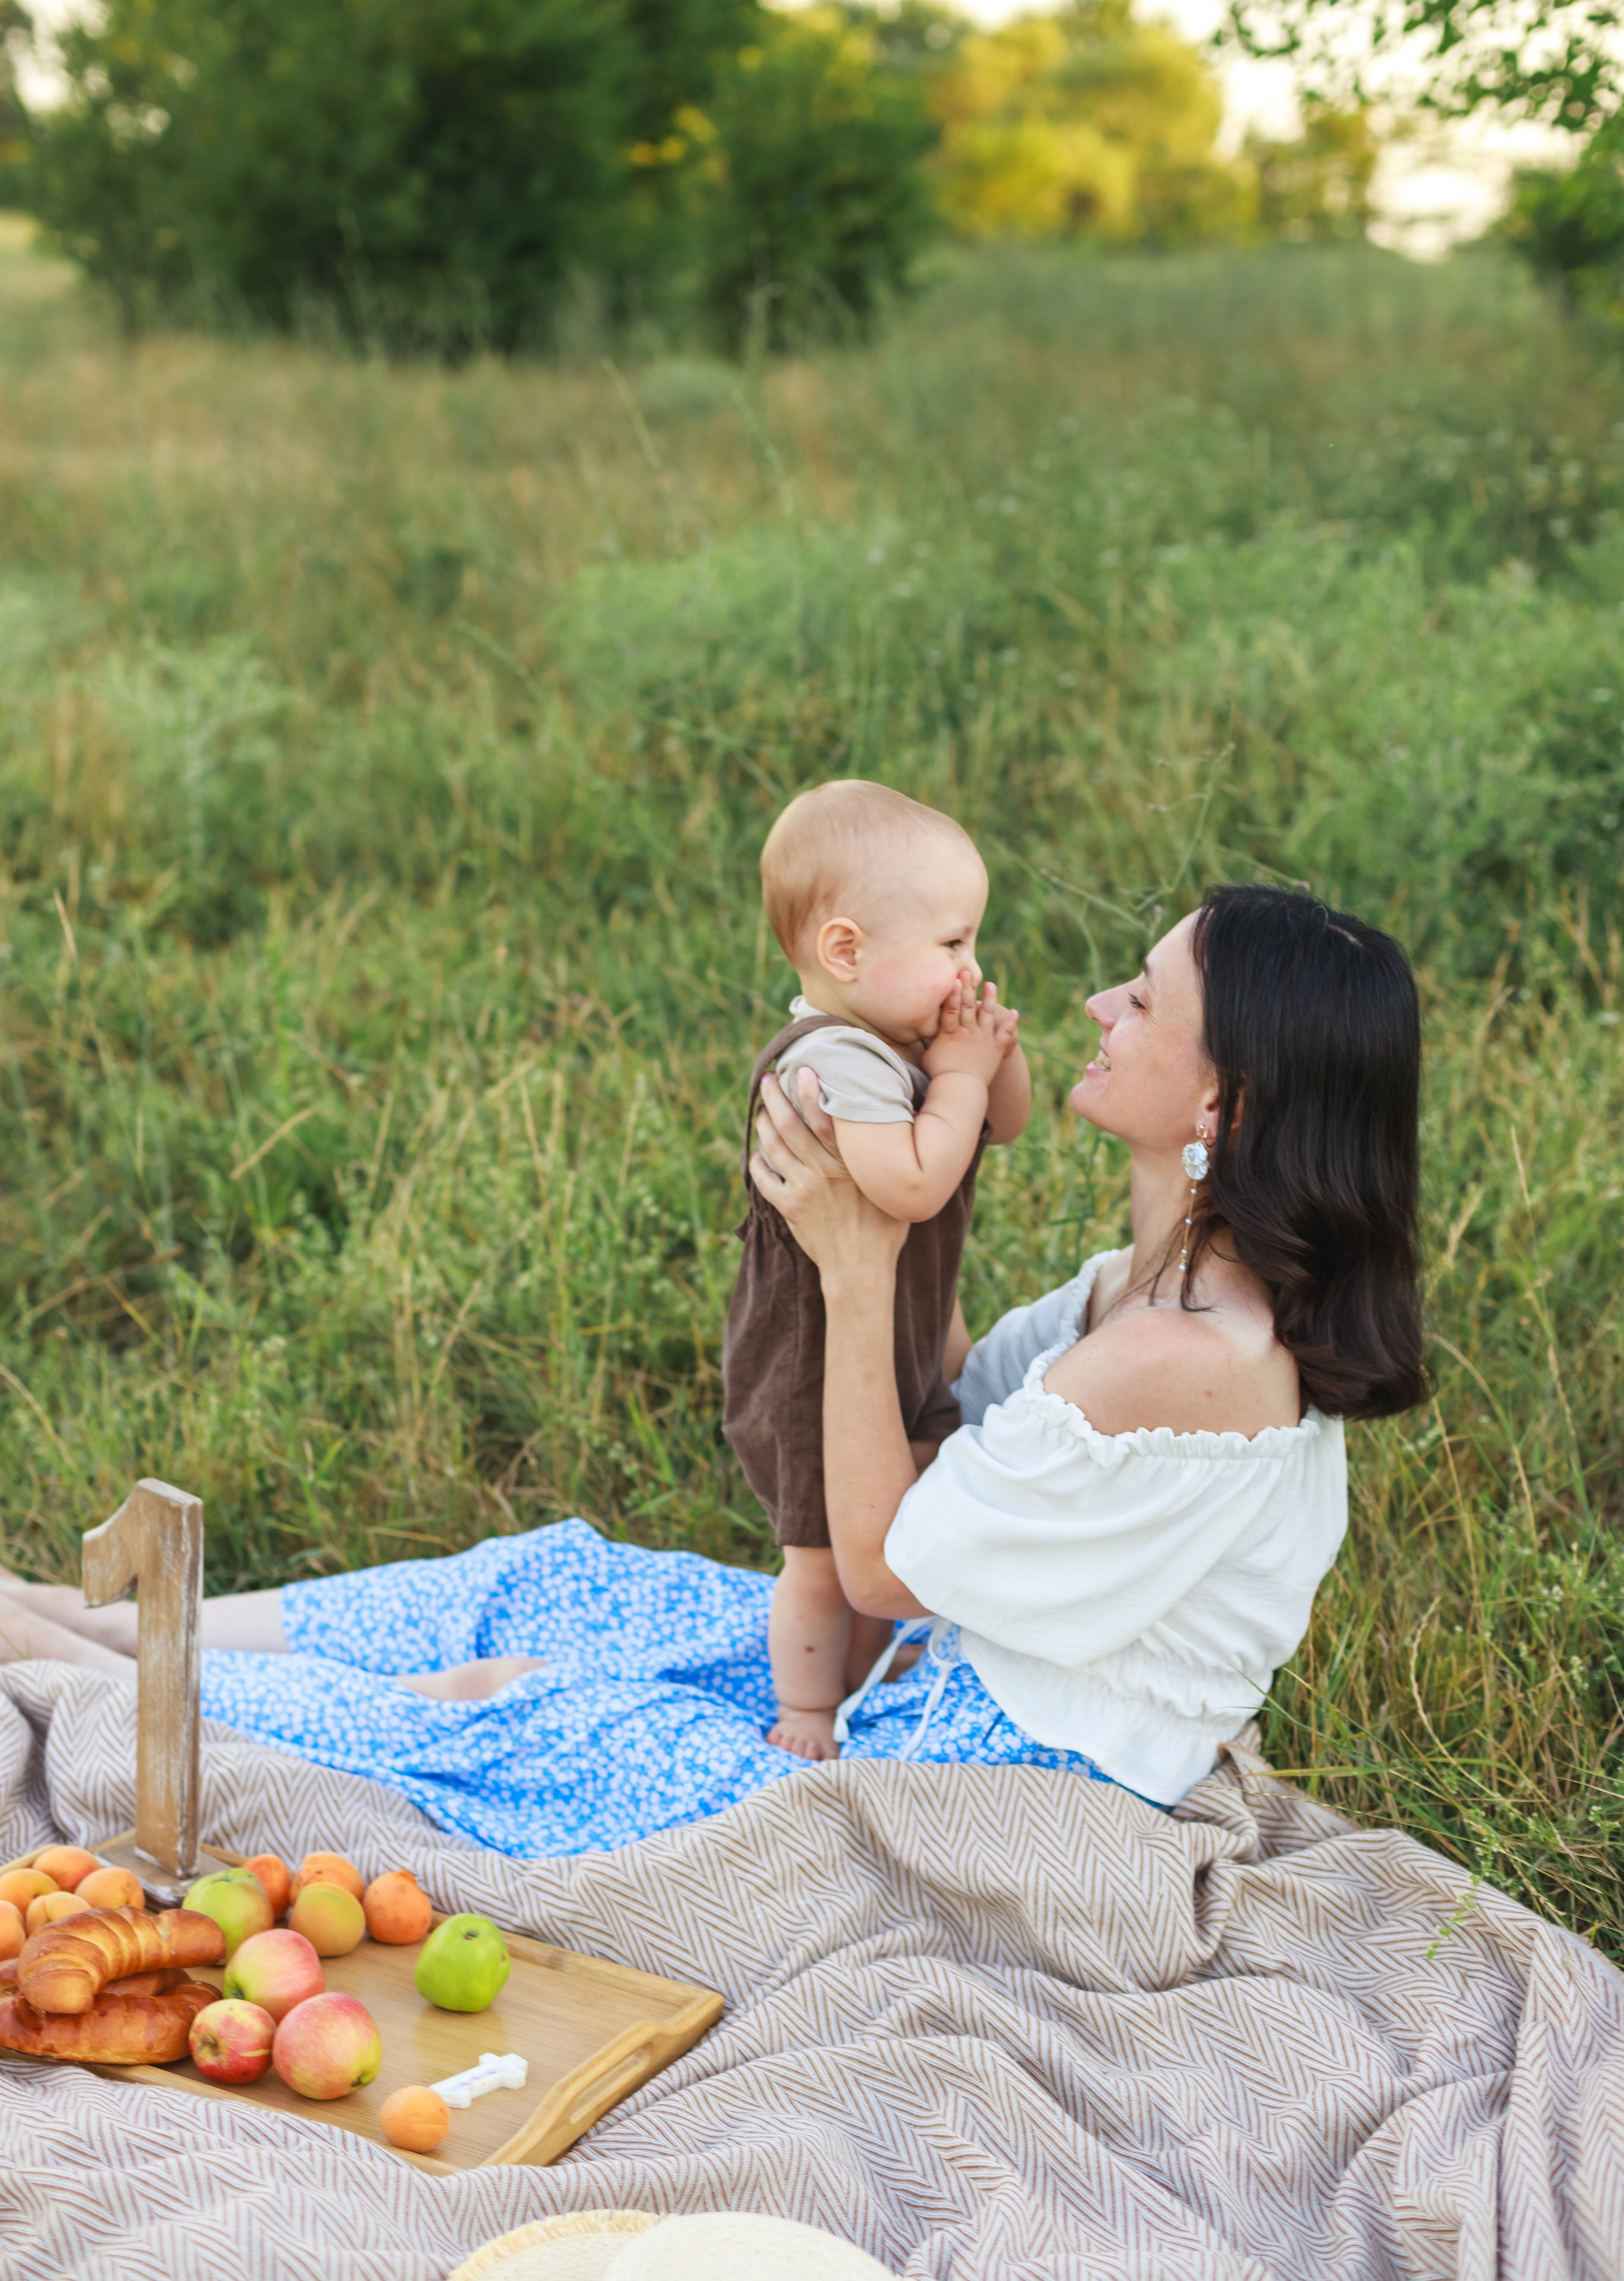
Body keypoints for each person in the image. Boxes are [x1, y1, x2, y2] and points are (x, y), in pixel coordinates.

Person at [0, 886, 1425, 1860]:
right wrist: (897, 1196)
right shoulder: (1140, 1290)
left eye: (1145, 997)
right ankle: (85, 1621)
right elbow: (943, 1419)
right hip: (931, 1677)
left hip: (982, 1789)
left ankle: (65, 1668)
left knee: (520, 1711)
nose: (1102, 1002)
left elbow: (882, 1562)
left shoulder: (1187, 1356)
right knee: (553, 1585)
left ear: (1223, 1098)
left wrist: (857, 1268)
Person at [722, 780, 1030, 1761]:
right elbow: (913, 1184)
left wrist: (991, 1056)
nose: (969, 966)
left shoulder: (899, 1041)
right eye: (951, 943)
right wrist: (962, 1075)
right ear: (847, 952)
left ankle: (861, 1674)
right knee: (821, 1555)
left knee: (890, 1529)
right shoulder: (837, 1062)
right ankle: (806, 1710)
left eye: (973, 940)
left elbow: (1003, 1124)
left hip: (897, 1341)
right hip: (811, 1367)